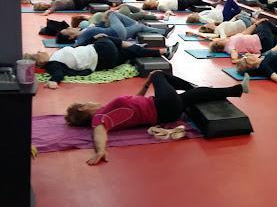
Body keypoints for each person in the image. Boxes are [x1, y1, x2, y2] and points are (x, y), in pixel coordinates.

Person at [64, 70, 249, 165]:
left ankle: (238, 89)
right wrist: (100, 151)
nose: (89, 101)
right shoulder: (99, 118)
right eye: (85, 102)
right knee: (158, 74)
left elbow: (134, 102)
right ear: (83, 108)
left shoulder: (107, 113)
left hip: (167, 111)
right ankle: (191, 86)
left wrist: (145, 85)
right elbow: (99, 132)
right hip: (162, 105)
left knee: (197, 94)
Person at [24, 37, 178, 89]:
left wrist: (91, 39)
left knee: (130, 52)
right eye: (38, 53)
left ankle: (164, 51)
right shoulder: (53, 64)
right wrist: (52, 82)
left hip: (106, 61)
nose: (40, 51)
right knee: (105, 38)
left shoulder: (55, 57)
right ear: (39, 62)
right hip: (101, 52)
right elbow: (57, 75)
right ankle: (133, 45)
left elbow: (79, 47)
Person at [56, 11, 173, 46]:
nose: (68, 27)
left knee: (140, 26)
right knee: (112, 13)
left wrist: (103, 21)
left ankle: (163, 32)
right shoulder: (80, 39)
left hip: (120, 35)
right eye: (67, 30)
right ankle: (134, 23)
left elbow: (100, 27)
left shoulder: (83, 31)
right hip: (116, 32)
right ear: (70, 37)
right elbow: (79, 45)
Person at [209, 19, 277, 62]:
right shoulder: (229, 47)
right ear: (219, 43)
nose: (220, 38)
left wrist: (255, 24)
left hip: (264, 41)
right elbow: (234, 57)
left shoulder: (230, 40)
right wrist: (238, 60)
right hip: (263, 41)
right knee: (265, 23)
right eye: (218, 39)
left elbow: (245, 33)